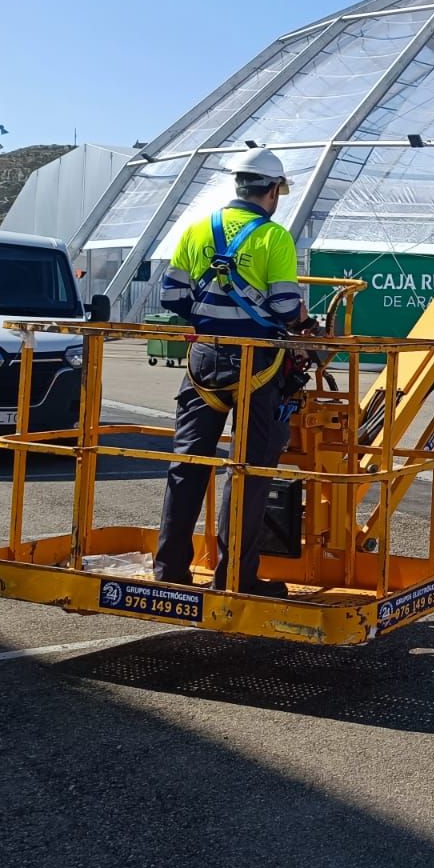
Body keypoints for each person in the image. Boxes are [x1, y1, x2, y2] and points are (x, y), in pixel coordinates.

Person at [154, 147, 305, 597]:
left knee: (188, 462)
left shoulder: (197, 228)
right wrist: (299, 317)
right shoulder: (273, 238)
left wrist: (210, 317)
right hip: (256, 363)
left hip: (203, 361)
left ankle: (171, 571)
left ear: (238, 185)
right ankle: (236, 578)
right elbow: (282, 307)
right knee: (249, 469)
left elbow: (172, 297)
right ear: (273, 191)